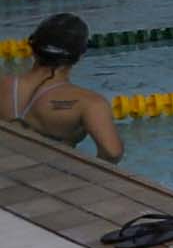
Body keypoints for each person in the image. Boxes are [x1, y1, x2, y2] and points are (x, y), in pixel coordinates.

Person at [7, 16, 120, 161]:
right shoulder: (89, 103)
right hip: (53, 176)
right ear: (80, 55)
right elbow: (112, 152)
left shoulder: (4, 84)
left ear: (33, 48)